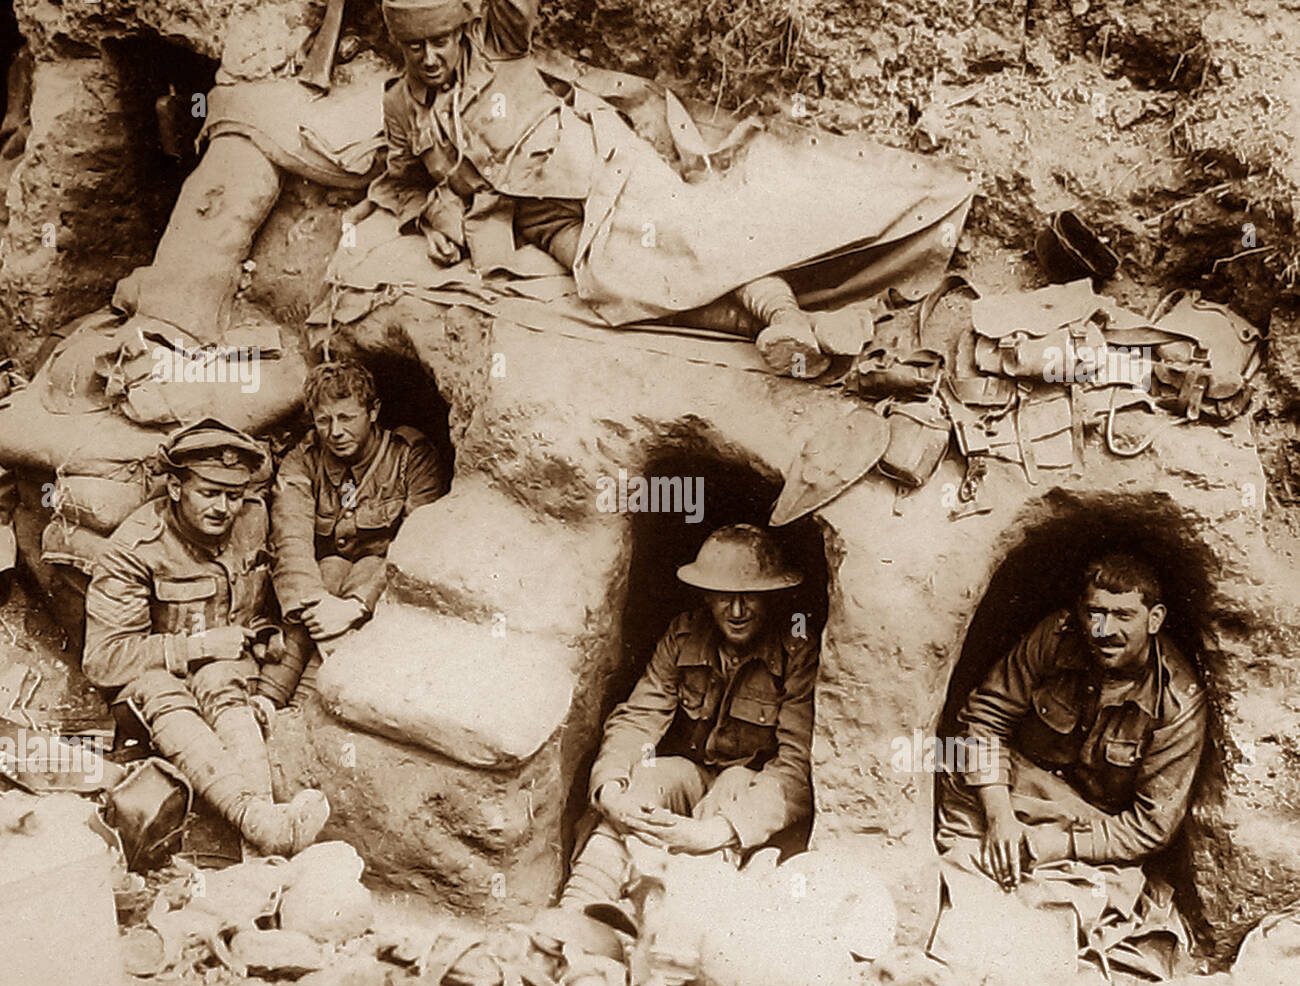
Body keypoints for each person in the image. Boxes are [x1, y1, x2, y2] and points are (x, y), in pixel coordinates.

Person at [346, 0, 957, 377]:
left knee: (691, 237)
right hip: (533, 219)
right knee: (616, 287)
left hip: (596, 164)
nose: (429, 57)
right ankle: (797, 333)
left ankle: (787, 313)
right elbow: (399, 179)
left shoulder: (499, 45)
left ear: (463, 29)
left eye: (440, 42)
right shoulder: (400, 104)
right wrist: (438, 209)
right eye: (415, 46)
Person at [930, 552, 1208, 979]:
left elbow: (1152, 826)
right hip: (1017, 789)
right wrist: (999, 815)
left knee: (1090, 900)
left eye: (1123, 616)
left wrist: (1051, 845)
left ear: (1154, 619)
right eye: (1094, 612)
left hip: (1090, 828)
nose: (1103, 630)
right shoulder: (1056, 637)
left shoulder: (1177, 700)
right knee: (958, 795)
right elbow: (985, 716)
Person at [83, 418, 330, 857]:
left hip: (230, 679)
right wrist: (196, 647)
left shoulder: (253, 519)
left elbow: (271, 596)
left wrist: (263, 644)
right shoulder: (136, 549)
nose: (223, 507)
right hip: (151, 694)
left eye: (233, 495)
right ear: (176, 488)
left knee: (218, 678)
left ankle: (264, 833)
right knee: (163, 687)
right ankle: (257, 821)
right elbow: (103, 660)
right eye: (209, 493)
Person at [558, 523, 817, 911]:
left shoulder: (796, 651)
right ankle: (578, 910)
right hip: (690, 782)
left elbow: (795, 768)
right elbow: (639, 719)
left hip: (747, 804)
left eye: (751, 596)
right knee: (650, 775)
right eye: (724, 596)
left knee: (733, 781)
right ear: (706, 594)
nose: (738, 610)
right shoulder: (684, 636)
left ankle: (671, 921)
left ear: (773, 597)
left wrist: (715, 831)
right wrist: (610, 790)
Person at [259, 361, 450, 707]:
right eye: (324, 420)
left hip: (378, 591)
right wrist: (317, 604)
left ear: (373, 411)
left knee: (363, 565)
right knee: (329, 567)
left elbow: (418, 544)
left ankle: (301, 705)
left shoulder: (410, 457)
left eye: (346, 418)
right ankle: (265, 700)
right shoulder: (303, 460)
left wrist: (356, 605)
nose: (334, 432)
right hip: (318, 595)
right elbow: (291, 538)